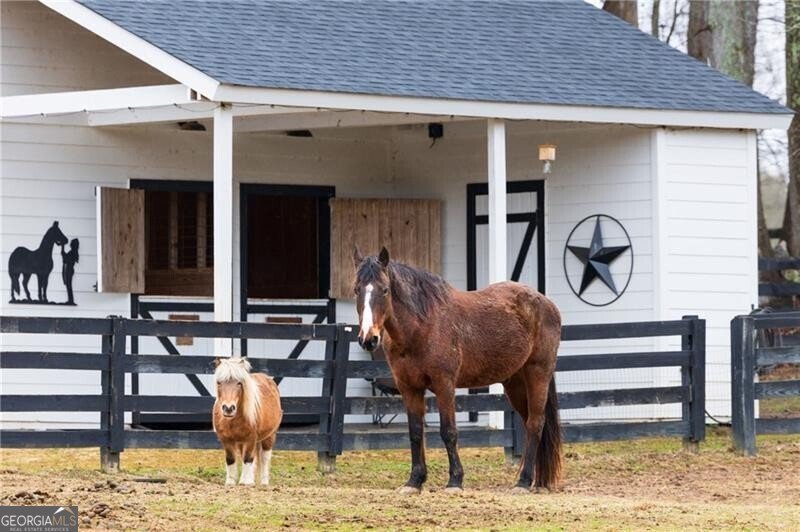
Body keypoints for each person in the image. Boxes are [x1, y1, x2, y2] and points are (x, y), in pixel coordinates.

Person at [61, 238, 79, 305]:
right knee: (68, 285)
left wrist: (63, 249)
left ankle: (70, 300)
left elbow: (66, 258)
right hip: (69, 269)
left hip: (69, 270)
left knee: (69, 285)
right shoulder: (73, 252)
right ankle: (70, 299)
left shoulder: (72, 252)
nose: (70, 244)